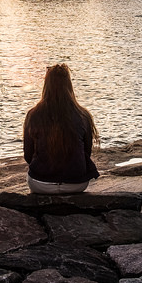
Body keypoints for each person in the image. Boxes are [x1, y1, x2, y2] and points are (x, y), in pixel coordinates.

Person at [23, 64, 100, 194]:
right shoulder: (83, 115)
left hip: (41, 183)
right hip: (76, 183)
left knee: (32, 180)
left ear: (46, 86)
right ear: (69, 85)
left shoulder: (34, 114)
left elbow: (28, 155)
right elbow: (86, 152)